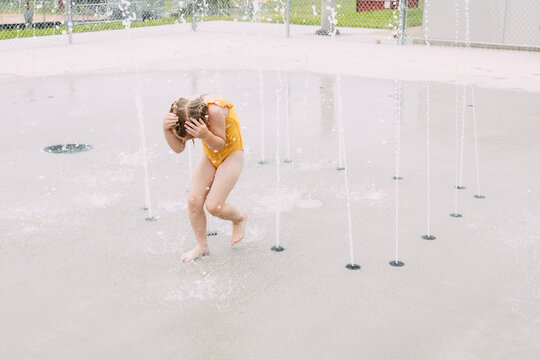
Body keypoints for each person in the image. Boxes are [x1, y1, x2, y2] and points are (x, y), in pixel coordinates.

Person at [163, 94, 247, 262]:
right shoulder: (179, 113)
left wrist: (205, 135)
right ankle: (202, 246)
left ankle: (239, 218)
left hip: (231, 154)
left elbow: (220, 144)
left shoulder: (214, 111)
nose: (191, 141)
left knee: (214, 205)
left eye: (192, 138)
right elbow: (178, 149)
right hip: (210, 154)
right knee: (193, 201)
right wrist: (165, 128)